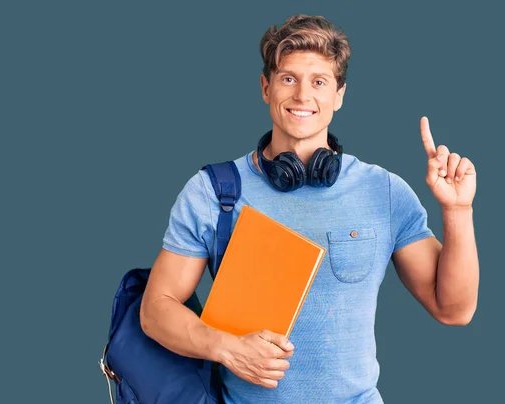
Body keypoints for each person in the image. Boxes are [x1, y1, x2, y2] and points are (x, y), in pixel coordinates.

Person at [139, 14, 479, 403]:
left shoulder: (383, 191)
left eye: (319, 81)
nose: (303, 96)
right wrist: (224, 348)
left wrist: (458, 211)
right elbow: (155, 310)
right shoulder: (214, 192)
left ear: (339, 94)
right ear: (266, 87)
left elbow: (454, 310)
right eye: (288, 79)